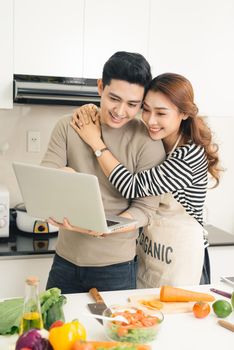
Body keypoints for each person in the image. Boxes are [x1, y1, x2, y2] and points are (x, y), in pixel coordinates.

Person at [71, 73, 221, 287]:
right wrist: (90, 109)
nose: (150, 120)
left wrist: (96, 143)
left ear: (184, 113)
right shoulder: (154, 141)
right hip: (149, 248)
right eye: (146, 109)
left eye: (161, 113)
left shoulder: (190, 155)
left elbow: (133, 187)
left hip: (182, 257)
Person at [41, 51, 165, 293]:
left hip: (116, 268)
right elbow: (47, 177)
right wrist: (64, 176)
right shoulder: (69, 125)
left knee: (113, 332)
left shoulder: (148, 142)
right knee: (51, 329)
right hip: (64, 261)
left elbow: (145, 209)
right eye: (114, 98)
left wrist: (106, 227)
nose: (120, 111)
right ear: (100, 87)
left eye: (132, 104)